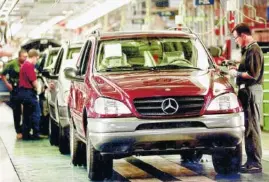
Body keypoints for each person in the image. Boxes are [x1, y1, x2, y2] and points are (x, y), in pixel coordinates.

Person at [229, 23, 264, 173]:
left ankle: (255, 163)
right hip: (246, 92)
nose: (236, 41)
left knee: (252, 128)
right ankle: (250, 161)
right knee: (248, 128)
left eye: (236, 38)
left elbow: (252, 74)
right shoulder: (247, 50)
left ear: (243, 35)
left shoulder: (254, 50)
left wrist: (235, 74)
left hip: (251, 92)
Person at [1, 49, 28, 139]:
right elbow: (2, 74)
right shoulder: (12, 64)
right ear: (19, 56)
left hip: (25, 89)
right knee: (17, 111)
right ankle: (18, 131)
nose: (25, 58)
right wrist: (8, 84)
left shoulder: (27, 64)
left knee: (27, 110)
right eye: (24, 56)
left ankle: (25, 130)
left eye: (26, 56)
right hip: (15, 90)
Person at [18, 49, 41, 140]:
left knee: (27, 114)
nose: (37, 61)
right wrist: (38, 89)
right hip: (28, 93)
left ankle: (26, 134)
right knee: (36, 112)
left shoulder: (24, 65)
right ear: (34, 57)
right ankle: (36, 134)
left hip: (23, 92)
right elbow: (34, 81)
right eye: (37, 59)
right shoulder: (29, 66)